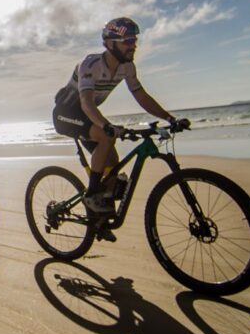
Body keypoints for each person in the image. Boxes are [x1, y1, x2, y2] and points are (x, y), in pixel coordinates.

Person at [52, 17, 189, 223]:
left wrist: (170, 118)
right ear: (110, 43)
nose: (133, 46)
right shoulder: (89, 65)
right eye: (127, 41)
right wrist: (106, 126)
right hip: (67, 114)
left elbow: (142, 97)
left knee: (113, 164)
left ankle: (99, 217)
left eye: (134, 40)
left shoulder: (127, 67)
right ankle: (92, 194)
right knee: (106, 138)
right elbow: (87, 103)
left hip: (89, 117)